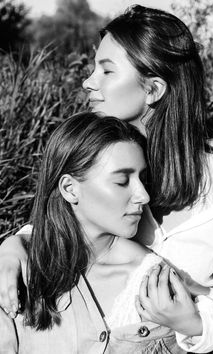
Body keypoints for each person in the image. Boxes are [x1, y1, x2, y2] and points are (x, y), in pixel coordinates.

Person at [1, 4, 213, 353]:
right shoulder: (111, 149)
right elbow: (72, 209)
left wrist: (193, 324)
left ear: (153, 90)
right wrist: (14, 245)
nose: (88, 82)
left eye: (107, 71)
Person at [0, 111, 191, 354]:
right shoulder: (17, 271)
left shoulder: (153, 283)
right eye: (122, 181)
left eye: (143, 179)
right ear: (70, 189)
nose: (144, 196)